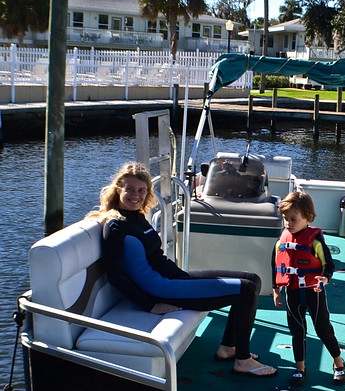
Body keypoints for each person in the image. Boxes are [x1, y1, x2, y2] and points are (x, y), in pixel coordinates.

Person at [86, 161, 276, 377]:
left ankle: (229, 347)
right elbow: (115, 275)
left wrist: (183, 277)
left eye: (141, 190)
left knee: (253, 279)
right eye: (129, 189)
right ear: (118, 189)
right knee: (246, 290)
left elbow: (156, 259)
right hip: (160, 289)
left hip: (171, 278)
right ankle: (242, 360)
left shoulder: (138, 217)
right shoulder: (116, 225)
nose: (135, 195)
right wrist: (150, 305)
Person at [271, 191, 345, 387]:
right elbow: (276, 264)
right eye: (286, 219)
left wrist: (326, 278)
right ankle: (300, 369)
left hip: (314, 292)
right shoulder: (282, 239)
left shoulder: (315, 241)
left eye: (294, 219)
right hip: (292, 292)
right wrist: (275, 289)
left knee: (323, 329)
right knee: (297, 331)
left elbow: (329, 265)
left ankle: (339, 363)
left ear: (308, 218)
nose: (288, 223)